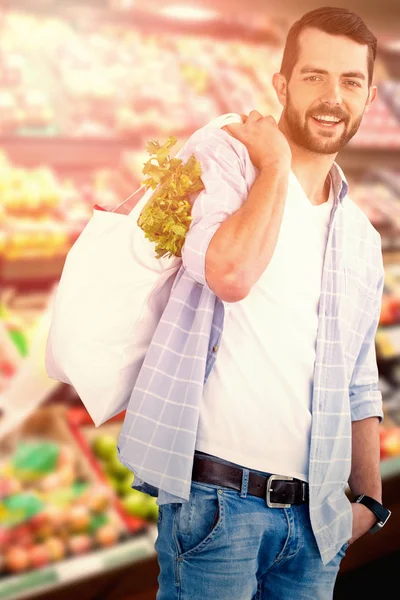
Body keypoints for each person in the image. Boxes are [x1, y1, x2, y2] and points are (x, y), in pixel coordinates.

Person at [117, 6, 391, 599]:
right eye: (314, 76)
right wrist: (275, 163)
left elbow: (358, 379)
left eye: (351, 82)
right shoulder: (229, 160)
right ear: (282, 85)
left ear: (370, 97)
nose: (332, 97)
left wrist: (369, 501)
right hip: (218, 507)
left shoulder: (362, 241)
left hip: (316, 522)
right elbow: (230, 271)